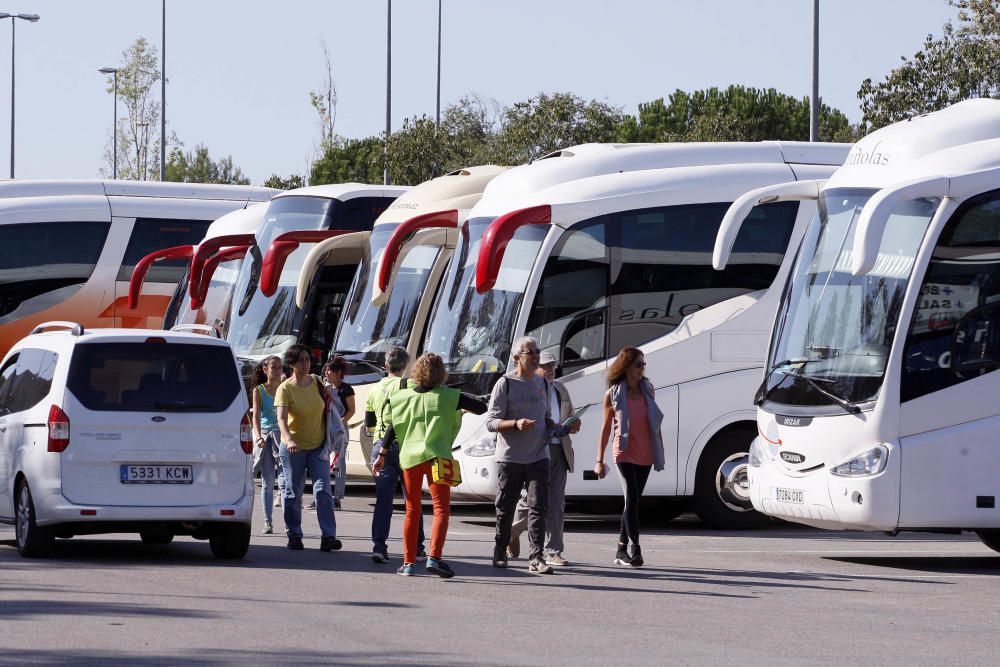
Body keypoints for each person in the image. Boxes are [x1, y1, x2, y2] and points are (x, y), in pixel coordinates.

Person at [374, 353, 486, 578]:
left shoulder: (402, 397)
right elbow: (481, 407)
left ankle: (407, 563)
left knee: (412, 511)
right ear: (441, 373)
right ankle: (434, 558)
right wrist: (458, 406)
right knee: (441, 509)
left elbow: (392, 428)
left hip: (410, 459)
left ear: (416, 371)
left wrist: (382, 454)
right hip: (439, 457)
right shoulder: (451, 396)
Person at [487, 336, 559, 575]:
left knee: (539, 506)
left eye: (537, 351)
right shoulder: (504, 384)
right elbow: (491, 422)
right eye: (531, 352)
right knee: (506, 508)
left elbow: (547, 417)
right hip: (510, 457)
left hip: (539, 455)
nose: (536, 355)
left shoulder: (544, 383)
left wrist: (558, 428)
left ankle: (536, 557)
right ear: (517, 358)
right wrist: (515, 423)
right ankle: (499, 551)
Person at [508, 350, 580, 566]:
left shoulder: (560, 388)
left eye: (553, 366)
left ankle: (553, 551)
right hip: (536, 449)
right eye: (546, 366)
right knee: (532, 500)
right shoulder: (527, 387)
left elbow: (570, 415)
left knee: (556, 501)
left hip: (560, 450)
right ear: (535, 366)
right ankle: (510, 532)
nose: (551, 370)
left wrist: (574, 424)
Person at [595, 347, 665, 567]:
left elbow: (654, 423)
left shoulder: (648, 390)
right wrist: (599, 460)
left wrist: (660, 450)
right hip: (624, 452)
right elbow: (606, 428)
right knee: (632, 498)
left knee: (632, 503)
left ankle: (620, 549)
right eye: (638, 364)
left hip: (645, 452)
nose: (642, 368)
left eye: (644, 364)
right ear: (626, 367)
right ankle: (636, 549)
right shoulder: (613, 394)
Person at [364, 346, 427, 564]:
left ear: (386, 365)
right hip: (406, 445)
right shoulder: (410, 385)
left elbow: (369, 422)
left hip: (379, 445)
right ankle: (417, 547)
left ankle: (379, 546)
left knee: (383, 500)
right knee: (412, 499)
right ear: (406, 365)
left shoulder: (374, 388)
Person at [275, 344, 341, 552]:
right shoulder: (285, 388)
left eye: (307, 359)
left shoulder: (317, 382)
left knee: (323, 490)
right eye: (301, 360)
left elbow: (329, 409)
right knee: (293, 492)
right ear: (292, 364)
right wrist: (289, 439)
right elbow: (281, 420)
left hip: (318, 447)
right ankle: (294, 533)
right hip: (293, 449)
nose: (306, 363)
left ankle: (328, 536)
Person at [251, 355, 284, 534]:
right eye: (274, 367)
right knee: (268, 481)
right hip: (266, 438)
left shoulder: (285, 388)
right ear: (266, 370)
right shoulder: (259, 390)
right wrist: (258, 437)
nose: (278, 371)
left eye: (280, 367)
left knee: (286, 483)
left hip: (283, 437)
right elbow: (255, 417)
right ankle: (268, 521)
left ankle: (290, 525)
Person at [323, 356, 355, 509]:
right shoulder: (324, 387)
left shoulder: (346, 389)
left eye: (330, 370)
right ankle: (322, 495)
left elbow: (351, 410)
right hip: (325, 428)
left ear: (338, 373)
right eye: (327, 370)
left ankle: (337, 497)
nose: (327, 373)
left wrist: (340, 423)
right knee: (323, 461)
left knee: (339, 463)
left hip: (340, 430)